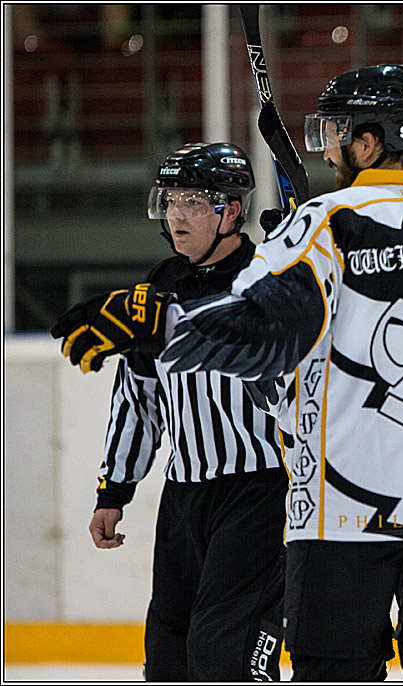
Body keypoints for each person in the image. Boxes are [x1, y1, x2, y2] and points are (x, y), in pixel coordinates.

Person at [52, 64, 403, 682]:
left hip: (344, 517)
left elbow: (266, 334)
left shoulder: (328, 222)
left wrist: (164, 323)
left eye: (334, 132)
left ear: (369, 142)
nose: (325, 148)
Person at [63, 142, 289, 681]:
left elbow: (294, 386)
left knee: (223, 650)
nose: (176, 214)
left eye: (193, 201)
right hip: (184, 495)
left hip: (260, 491)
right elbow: (138, 397)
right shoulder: (160, 285)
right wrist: (114, 490)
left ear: (231, 211)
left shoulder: (271, 277)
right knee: (168, 652)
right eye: (170, 200)